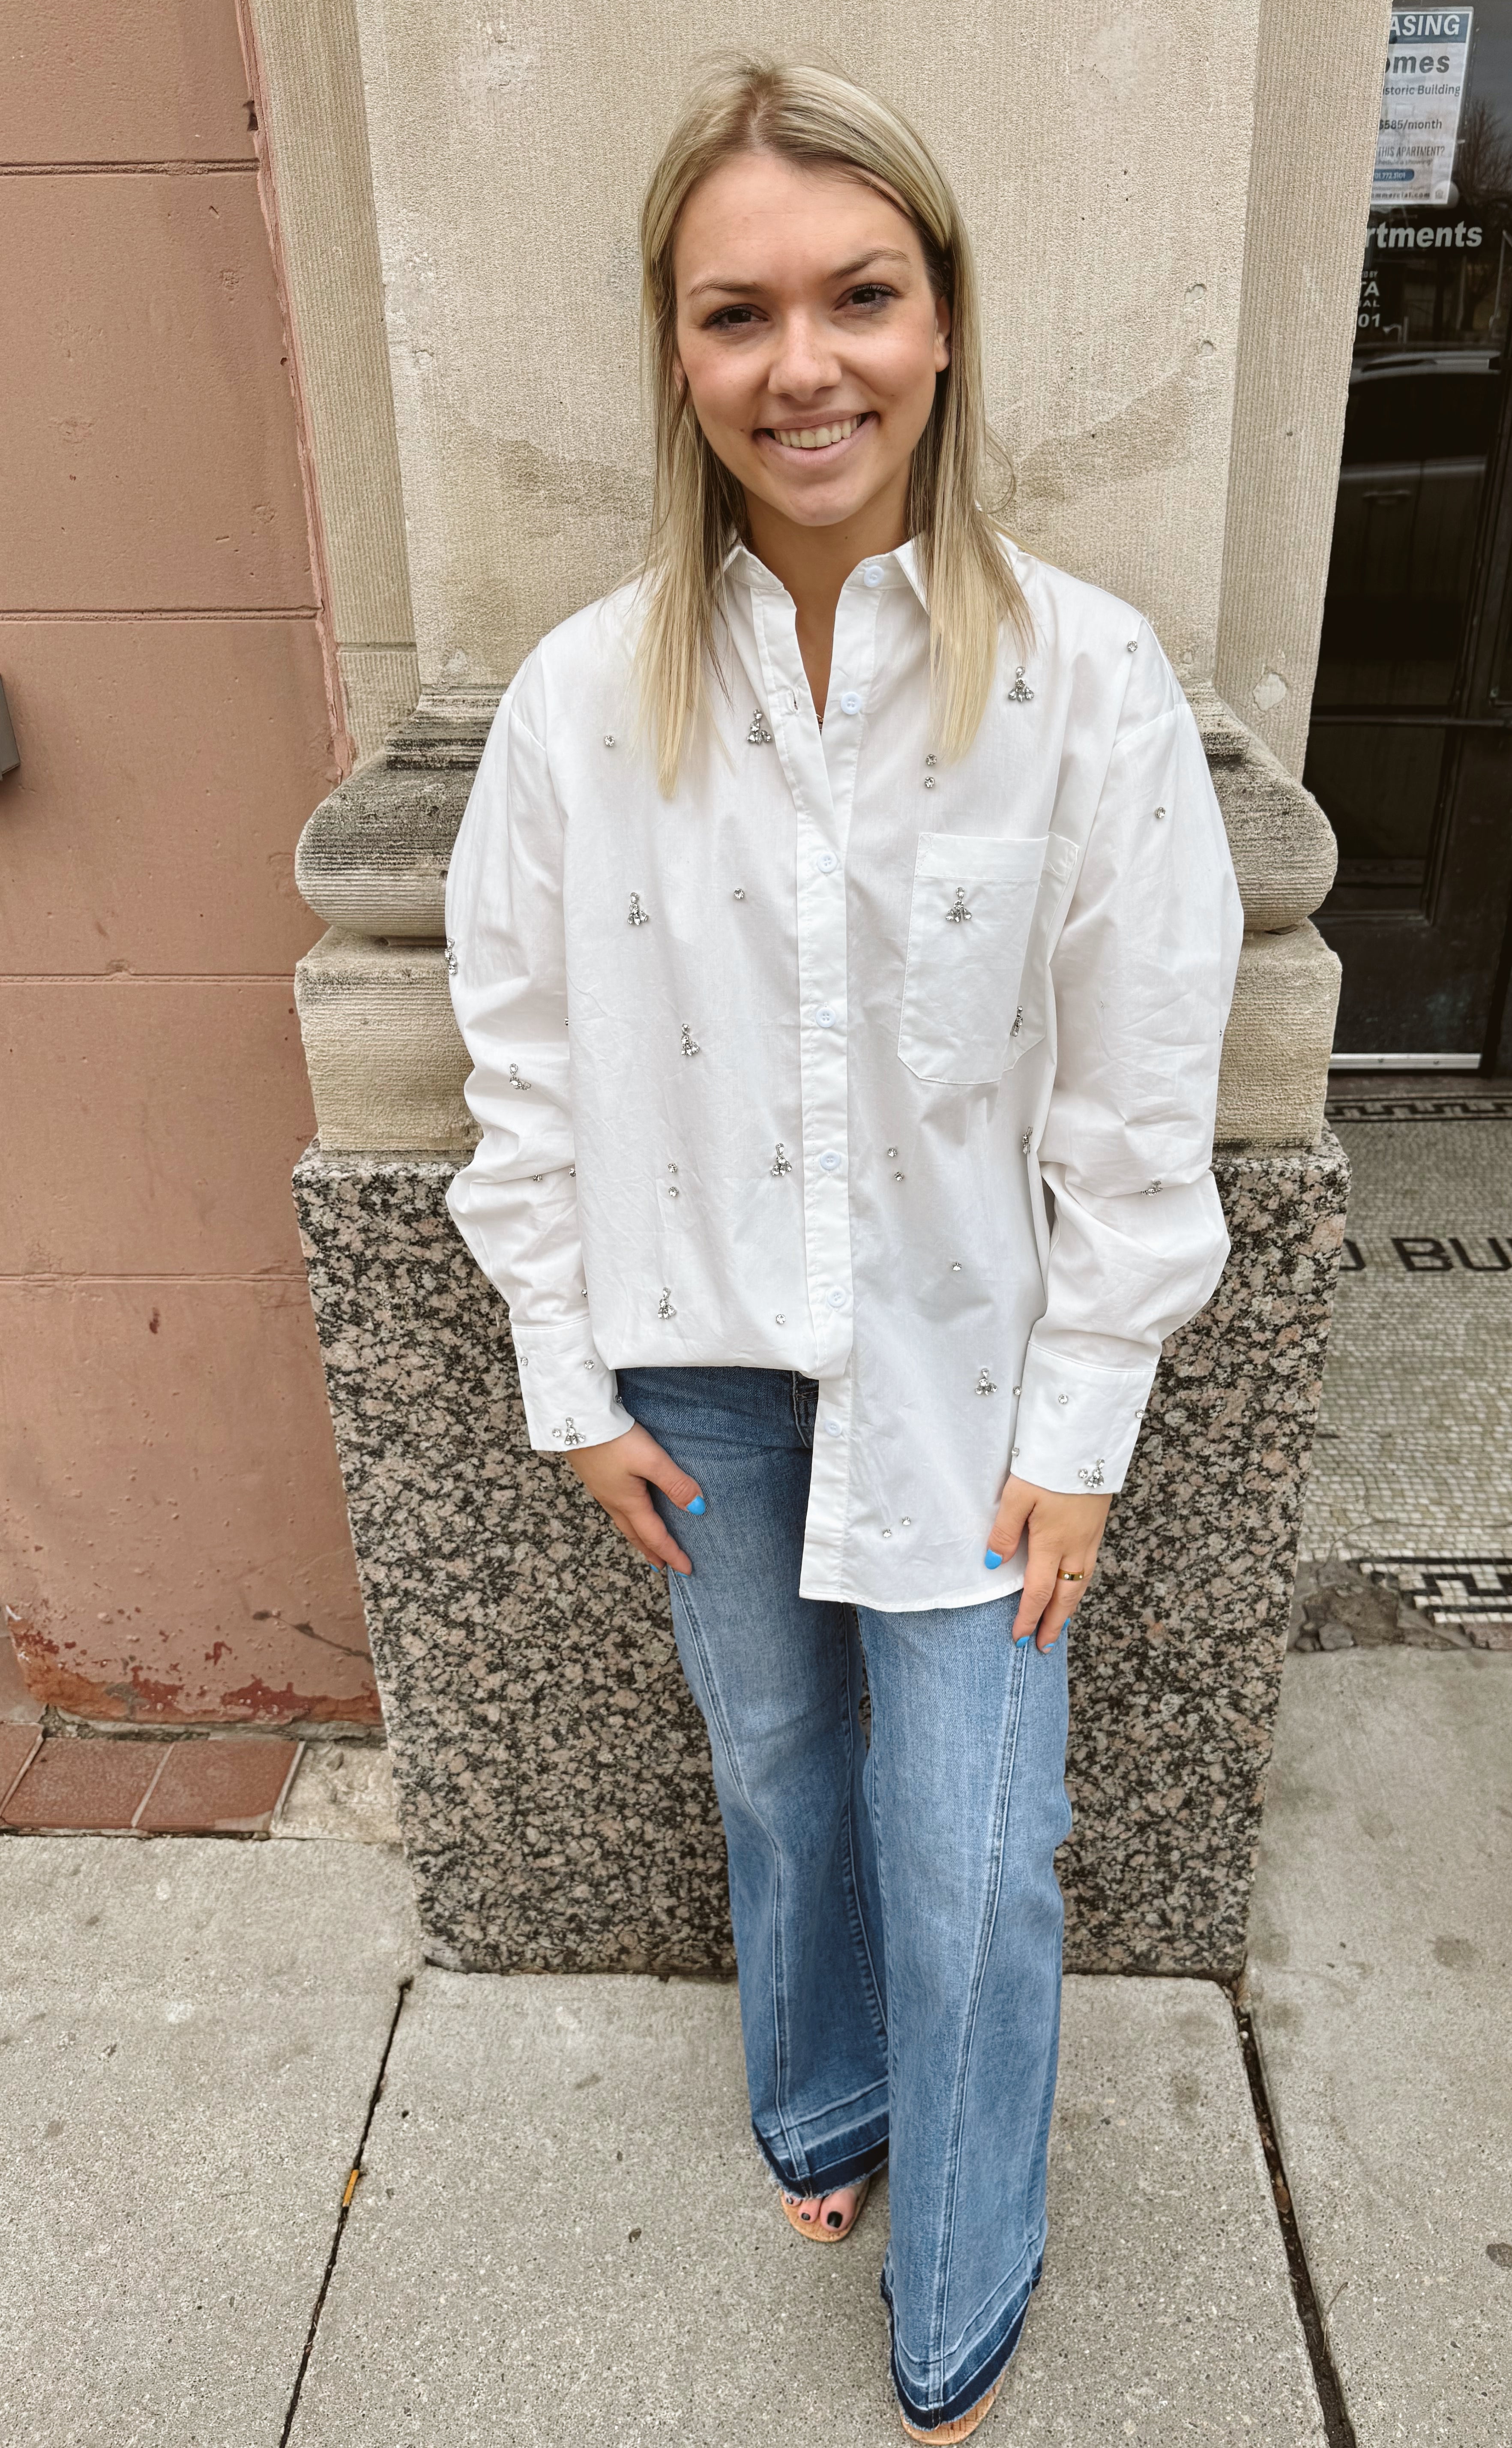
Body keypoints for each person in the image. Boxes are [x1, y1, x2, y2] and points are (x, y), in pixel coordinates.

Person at [442, 56, 1242, 2443]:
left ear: (943, 321)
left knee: (980, 1845)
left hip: (973, 1381)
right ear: (677, 361)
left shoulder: (1081, 682)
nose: (806, 365)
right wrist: (562, 1375)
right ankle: (818, 2097)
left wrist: (1086, 1416)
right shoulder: (588, 701)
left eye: (857, 297)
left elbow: (1135, 1083)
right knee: (779, 1773)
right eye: (739, 313)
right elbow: (522, 1052)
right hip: (695, 1378)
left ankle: (963, 2277)